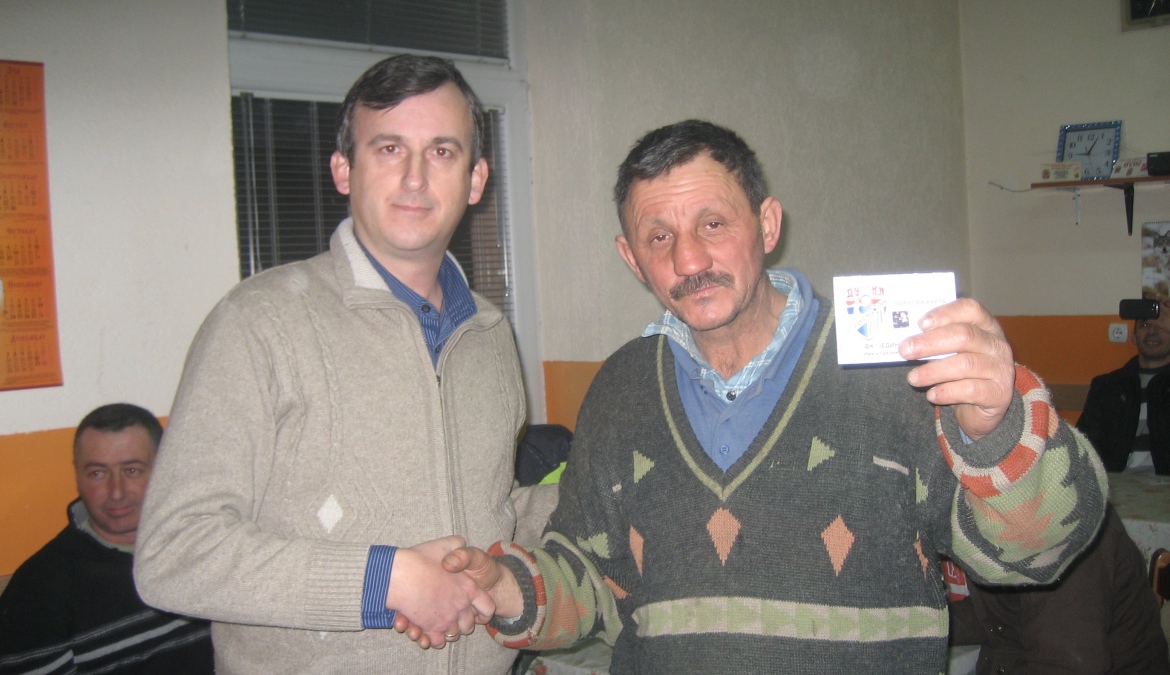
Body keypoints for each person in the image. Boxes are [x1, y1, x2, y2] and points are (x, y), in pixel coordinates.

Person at [408, 120, 1108, 673]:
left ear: (767, 225)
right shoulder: (620, 388)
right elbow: (594, 578)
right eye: (659, 236)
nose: (688, 260)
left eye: (712, 224)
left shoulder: (899, 371)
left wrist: (997, 428)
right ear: (631, 258)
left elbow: (1035, 553)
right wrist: (505, 588)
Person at [133, 54, 555, 673]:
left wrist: (599, 493)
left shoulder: (490, 334)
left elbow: (490, 507)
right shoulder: (258, 322)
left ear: (475, 178)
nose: (415, 178)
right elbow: (174, 553)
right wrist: (386, 581)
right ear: (343, 170)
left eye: (442, 152)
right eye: (389, 149)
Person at [0, 403, 213, 674]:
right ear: (77, 476)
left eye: (132, 470)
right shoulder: (36, 593)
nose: (116, 492)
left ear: (164, 469)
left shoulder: (205, 544)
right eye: (98, 473)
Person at [948, 504, 1169, 673]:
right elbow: (999, 618)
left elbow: (1066, 665)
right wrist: (929, 622)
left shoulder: (1066, 528)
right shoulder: (998, 512)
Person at [1077, 300, 1170, 473]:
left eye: (1160, 326)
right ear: (1134, 336)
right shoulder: (1107, 387)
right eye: (1144, 325)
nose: (1152, 332)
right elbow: (1086, 445)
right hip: (1118, 484)